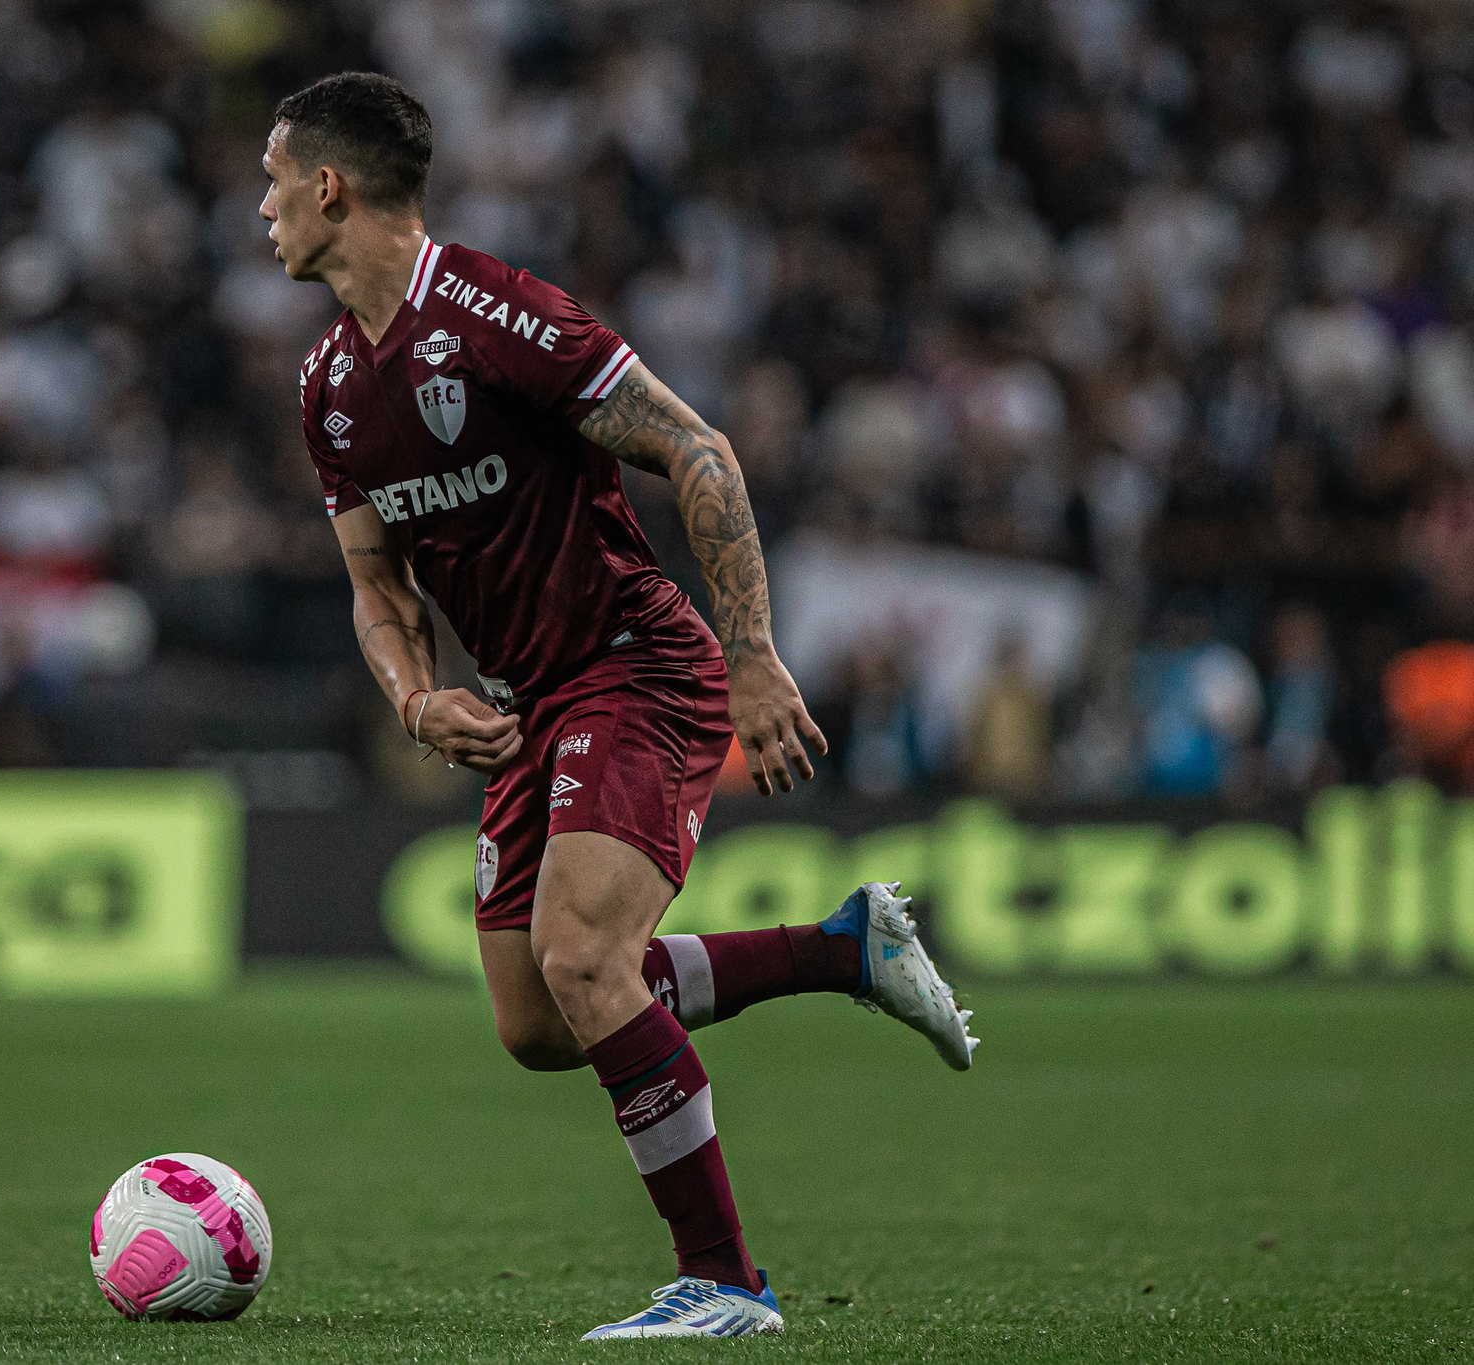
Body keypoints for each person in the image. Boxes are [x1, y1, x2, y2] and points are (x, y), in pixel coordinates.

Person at [263, 72, 978, 1340]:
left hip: (632, 663)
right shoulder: (326, 385)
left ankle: (727, 1285)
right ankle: (840, 951)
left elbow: (699, 450)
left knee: (586, 961)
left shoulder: (498, 314)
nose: (261, 210)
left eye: (273, 183)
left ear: (329, 189)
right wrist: (416, 699)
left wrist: (751, 654)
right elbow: (376, 586)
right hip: (524, 705)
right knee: (539, 1024)